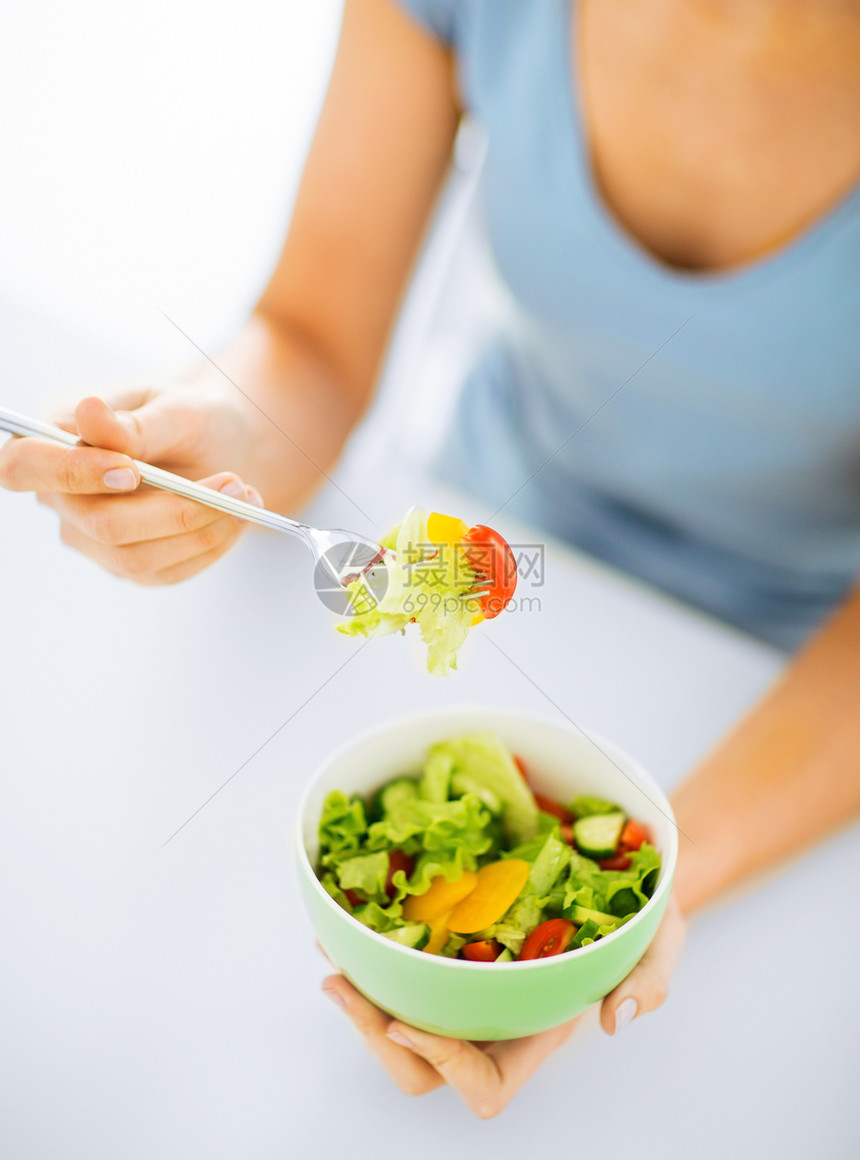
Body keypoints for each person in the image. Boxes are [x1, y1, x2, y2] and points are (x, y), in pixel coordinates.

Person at [1, 0, 859, 1118]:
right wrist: (216, 439)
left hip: (788, 671)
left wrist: (649, 892)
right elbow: (313, 339)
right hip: (481, 542)